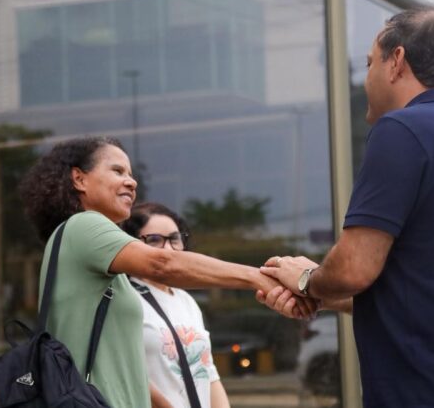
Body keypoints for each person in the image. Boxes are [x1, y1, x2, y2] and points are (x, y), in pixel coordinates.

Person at [257, 6, 434, 407]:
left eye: (371, 62)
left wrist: (306, 279)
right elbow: (425, 292)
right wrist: (318, 297)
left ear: (397, 61)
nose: (367, 77)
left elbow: (354, 268)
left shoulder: (402, 129)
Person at [19, 136, 316, 408]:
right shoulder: (84, 226)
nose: (131, 182)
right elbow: (163, 265)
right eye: (118, 171)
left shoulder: (88, 249)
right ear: (79, 178)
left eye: (131, 174)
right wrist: (261, 278)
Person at [121, 202, 230, 408]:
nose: (169, 249)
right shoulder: (124, 298)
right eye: (154, 240)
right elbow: (124, 372)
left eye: (174, 239)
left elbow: (208, 371)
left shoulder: (186, 300)